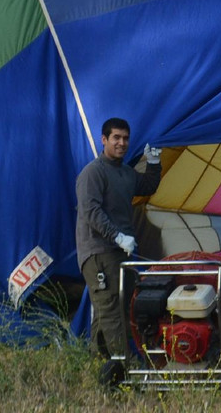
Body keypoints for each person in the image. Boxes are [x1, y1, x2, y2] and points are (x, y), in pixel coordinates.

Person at [75, 118, 162, 381]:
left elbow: (146, 186)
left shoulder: (125, 173)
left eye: (125, 138)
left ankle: (99, 365)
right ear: (104, 140)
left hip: (121, 252)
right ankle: (129, 369)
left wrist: (154, 163)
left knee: (115, 307)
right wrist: (117, 236)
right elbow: (91, 211)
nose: (121, 143)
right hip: (99, 251)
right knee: (112, 308)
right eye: (116, 138)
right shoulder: (93, 173)